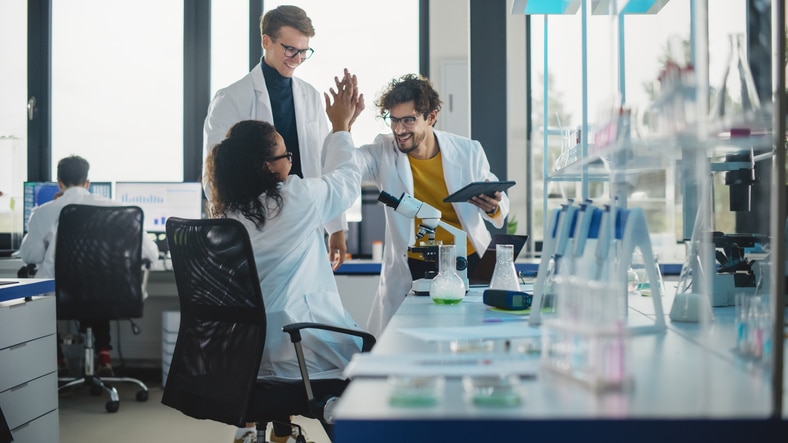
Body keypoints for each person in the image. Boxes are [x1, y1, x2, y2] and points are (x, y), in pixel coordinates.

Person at [204, 74, 362, 443]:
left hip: (241, 361)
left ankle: (278, 430)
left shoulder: (226, 216)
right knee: (362, 369)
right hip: (298, 358)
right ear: (267, 167)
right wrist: (341, 126)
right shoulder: (294, 200)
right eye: (285, 155)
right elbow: (346, 180)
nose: (290, 161)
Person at [355, 74, 510, 337]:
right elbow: (346, 167)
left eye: (408, 120)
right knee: (411, 338)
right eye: (393, 119)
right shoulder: (383, 151)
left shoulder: (468, 151)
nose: (399, 130)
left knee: (469, 335)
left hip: (467, 260)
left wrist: (492, 206)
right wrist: (342, 126)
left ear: (431, 116)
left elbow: (500, 203)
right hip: (415, 264)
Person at [203, 4, 349, 277]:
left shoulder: (311, 96)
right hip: (255, 228)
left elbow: (322, 163)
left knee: (304, 301)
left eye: (304, 51)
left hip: (303, 222)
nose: (297, 58)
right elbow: (215, 172)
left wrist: (336, 227)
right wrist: (239, 225)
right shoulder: (231, 98)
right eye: (290, 49)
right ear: (265, 41)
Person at [18, 155, 160, 376]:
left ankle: (57, 360)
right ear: (88, 183)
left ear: (59, 183)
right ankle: (104, 355)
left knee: (44, 292)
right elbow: (151, 253)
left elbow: (29, 255)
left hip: (62, 296)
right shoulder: (116, 209)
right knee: (97, 282)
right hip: (110, 295)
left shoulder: (44, 212)